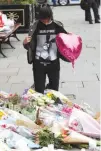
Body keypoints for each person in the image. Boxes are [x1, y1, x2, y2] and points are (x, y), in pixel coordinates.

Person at [23, 4, 68, 94]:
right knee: (39, 89)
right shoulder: (34, 27)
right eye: (43, 19)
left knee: (54, 88)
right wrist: (25, 43)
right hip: (38, 63)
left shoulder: (57, 26)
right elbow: (29, 46)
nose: (45, 21)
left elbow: (66, 41)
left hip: (54, 62)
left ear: (50, 16)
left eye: (47, 19)